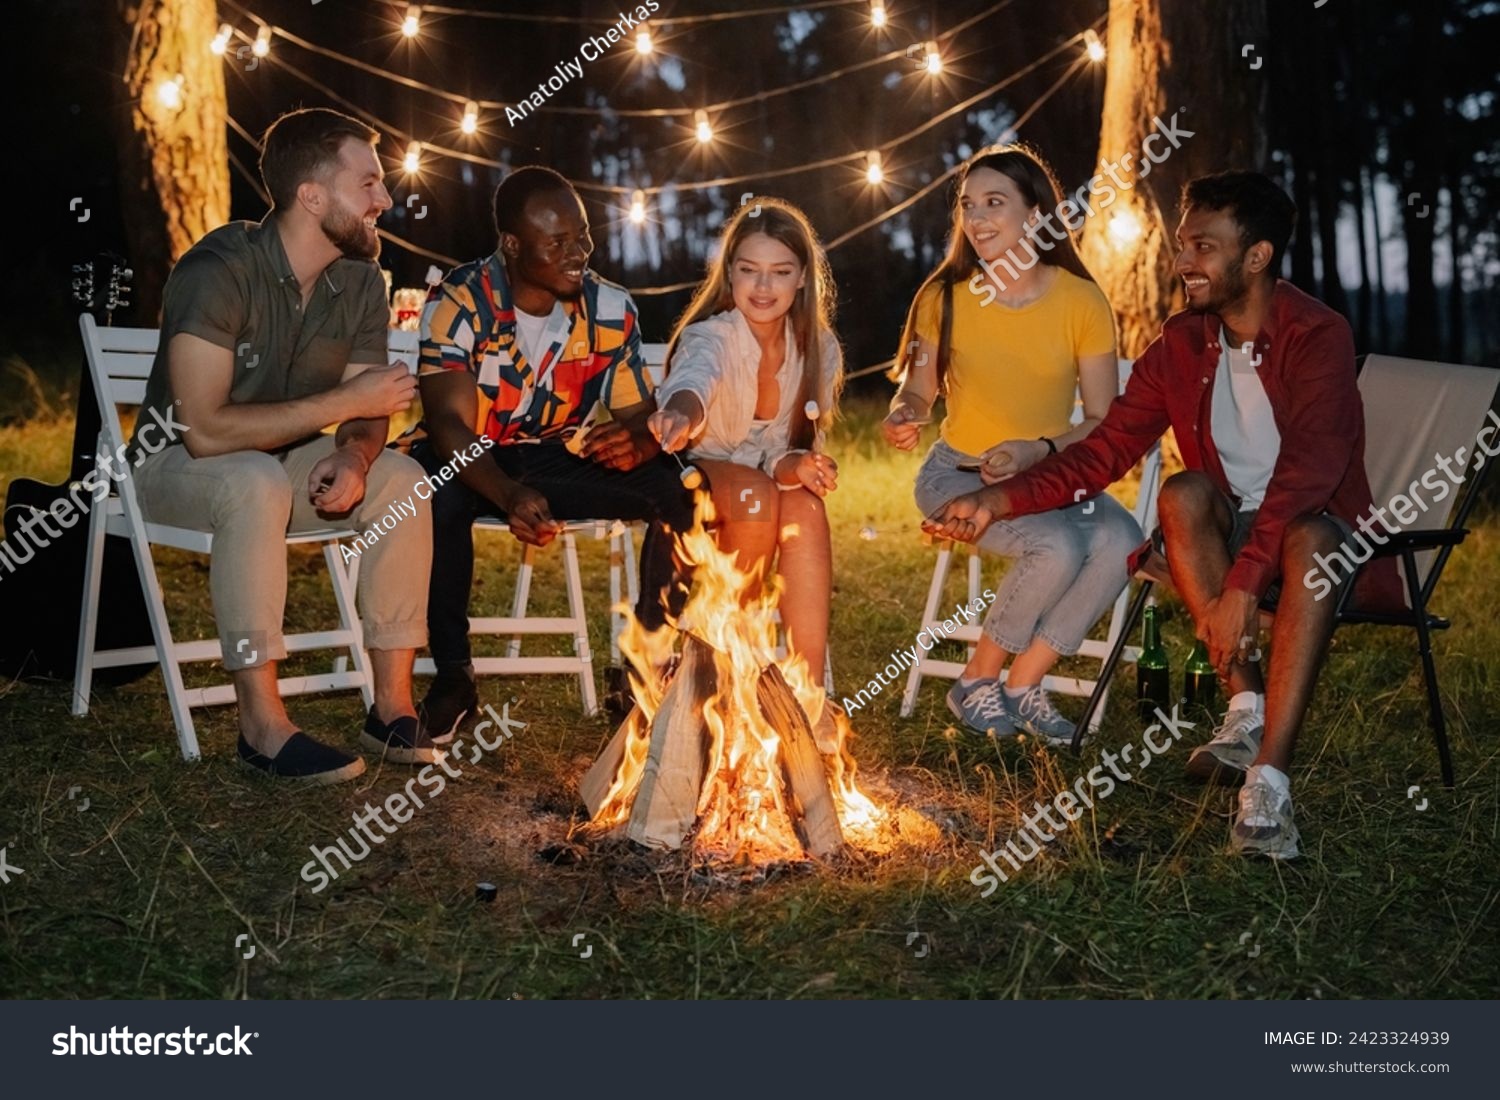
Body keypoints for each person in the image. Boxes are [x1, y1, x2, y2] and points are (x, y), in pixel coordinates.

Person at [925, 171, 1406, 859]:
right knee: (1181, 493)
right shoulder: (1183, 341)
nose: (1184, 262)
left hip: (1324, 547)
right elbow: (1105, 449)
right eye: (1184, 245)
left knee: (1308, 535)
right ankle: (1246, 706)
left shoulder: (1317, 335)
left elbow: (1308, 477)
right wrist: (997, 499)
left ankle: (1268, 780)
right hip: (1238, 532)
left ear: (1258, 256)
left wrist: (1241, 586)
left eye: (1204, 246)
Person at [132, 107, 438, 783]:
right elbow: (204, 430)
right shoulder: (218, 268)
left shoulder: (360, 281)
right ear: (313, 196)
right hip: (173, 467)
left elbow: (368, 407)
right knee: (253, 481)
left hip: (275, 466)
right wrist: (342, 407)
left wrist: (353, 455)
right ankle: (261, 727)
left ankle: (391, 709)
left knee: (402, 479)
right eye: (368, 184)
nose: (386, 200)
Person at [413, 167, 694, 738]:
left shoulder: (609, 308)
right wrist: (507, 494)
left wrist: (640, 442)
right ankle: (454, 678)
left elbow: (638, 414)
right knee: (440, 494)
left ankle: (643, 667)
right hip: (466, 457)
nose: (578, 254)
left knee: (681, 486)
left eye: (583, 236)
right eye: (558, 242)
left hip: (549, 453)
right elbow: (447, 424)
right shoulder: (460, 301)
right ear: (513, 245)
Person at [884, 144, 1142, 745]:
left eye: (994, 203)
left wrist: (1039, 450)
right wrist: (906, 412)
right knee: (1055, 547)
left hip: (1049, 476)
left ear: (1036, 213)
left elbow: (1101, 419)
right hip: (957, 477)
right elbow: (917, 389)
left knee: (1124, 542)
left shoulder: (1082, 301)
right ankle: (977, 679)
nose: (976, 219)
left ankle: (1024, 682)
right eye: (968, 205)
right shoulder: (944, 298)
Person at [648, 198, 842, 681]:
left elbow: (787, 448)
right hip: (695, 472)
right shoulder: (712, 336)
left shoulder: (820, 349)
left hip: (766, 475)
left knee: (806, 508)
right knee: (755, 496)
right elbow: (694, 380)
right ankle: (723, 667)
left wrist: (800, 465)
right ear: (729, 272)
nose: (762, 286)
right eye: (749, 270)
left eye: (780, 272)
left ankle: (807, 690)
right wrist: (680, 412)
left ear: (803, 277)